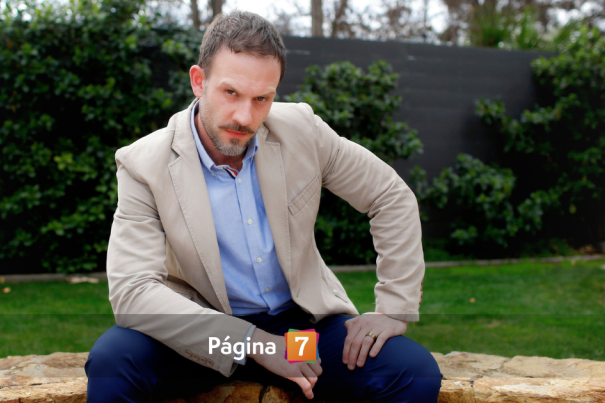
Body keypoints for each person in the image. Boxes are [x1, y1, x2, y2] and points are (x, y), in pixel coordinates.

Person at [85, 10, 442, 403]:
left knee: (412, 372)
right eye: (230, 93)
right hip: (204, 340)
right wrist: (254, 343)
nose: (245, 116)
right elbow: (133, 292)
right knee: (114, 362)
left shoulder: (302, 130)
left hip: (299, 340)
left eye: (262, 99)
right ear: (199, 81)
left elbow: (390, 195)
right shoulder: (144, 163)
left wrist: (393, 308)